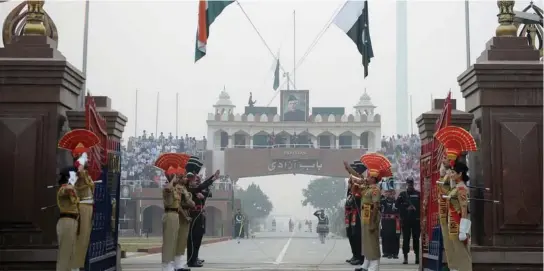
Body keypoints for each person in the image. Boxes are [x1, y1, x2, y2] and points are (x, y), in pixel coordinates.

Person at [434, 125, 478, 271]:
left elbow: (464, 209)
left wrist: (464, 229)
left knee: (461, 252)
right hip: (451, 221)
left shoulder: (461, 189)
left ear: (459, 174)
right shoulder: (454, 187)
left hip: (458, 222)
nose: (451, 174)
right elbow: (444, 188)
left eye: (453, 173)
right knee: (453, 249)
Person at [57, 129, 100, 270]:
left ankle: (77, 266)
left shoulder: (84, 172)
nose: (87, 159)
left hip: (87, 206)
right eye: (84, 156)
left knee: (84, 239)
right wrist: (80, 161)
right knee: (79, 239)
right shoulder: (76, 172)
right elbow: (76, 174)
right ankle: (75, 266)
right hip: (81, 207)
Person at [357, 153, 391, 271]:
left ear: (373, 178)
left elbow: (376, 206)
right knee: (366, 240)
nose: (367, 177)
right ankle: (366, 263)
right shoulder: (368, 188)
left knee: (373, 241)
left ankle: (375, 265)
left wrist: (372, 222)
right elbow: (356, 188)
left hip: (372, 216)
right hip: (366, 215)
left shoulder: (375, 190)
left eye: (369, 176)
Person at [185, 156, 219, 268]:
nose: (195, 179)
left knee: (198, 238)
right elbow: (202, 187)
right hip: (194, 215)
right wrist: (213, 178)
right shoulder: (189, 188)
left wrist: (212, 179)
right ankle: (191, 260)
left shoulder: (195, 189)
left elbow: (205, 190)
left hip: (199, 215)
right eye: (193, 178)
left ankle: (194, 258)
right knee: (193, 238)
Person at [154, 153, 184, 271]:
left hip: (176, 215)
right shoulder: (168, 186)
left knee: (174, 240)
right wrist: (172, 180)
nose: (177, 177)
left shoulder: (176, 188)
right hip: (169, 214)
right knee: (168, 241)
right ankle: (166, 265)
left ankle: (171, 263)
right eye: (174, 175)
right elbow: (167, 189)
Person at [173, 154, 195, 271]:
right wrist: (189, 205)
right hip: (181, 217)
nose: (186, 178)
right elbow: (179, 205)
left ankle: (179, 264)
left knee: (182, 241)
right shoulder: (177, 188)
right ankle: (177, 265)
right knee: (179, 240)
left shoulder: (184, 188)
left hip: (186, 216)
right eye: (184, 176)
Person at [56, 167, 80, 271]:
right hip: (67, 221)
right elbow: (67, 190)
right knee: (65, 254)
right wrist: (71, 184)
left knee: (72, 253)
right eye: (74, 175)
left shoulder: (72, 188)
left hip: (73, 221)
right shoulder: (64, 188)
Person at [343, 160, 367, 265]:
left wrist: (348, 168)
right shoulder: (352, 180)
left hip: (358, 212)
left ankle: (360, 257)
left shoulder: (361, 180)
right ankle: (355, 254)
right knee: (350, 234)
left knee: (357, 234)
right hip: (350, 211)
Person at [396, 177, 421, 264]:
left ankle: (417, 257)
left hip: (416, 220)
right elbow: (396, 205)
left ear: (413, 184)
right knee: (406, 239)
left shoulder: (418, 194)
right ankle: (405, 258)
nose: (410, 185)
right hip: (405, 220)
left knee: (416, 239)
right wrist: (406, 207)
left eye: (411, 183)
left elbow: (422, 206)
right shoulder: (402, 194)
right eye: (408, 183)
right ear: (406, 184)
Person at [380, 186, 400, 259]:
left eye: (391, 192)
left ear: (394, 193)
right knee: (385, 236)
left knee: (395, 237)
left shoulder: (396, 201)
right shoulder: (383, 201)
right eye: (388, 192)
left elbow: (399, 211)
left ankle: (394, 253)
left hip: (394, 222)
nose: (390, 194)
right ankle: (386, 252)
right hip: (385, 222)